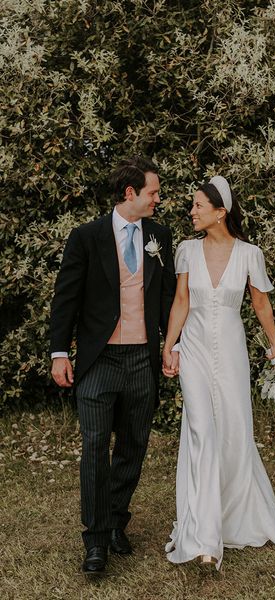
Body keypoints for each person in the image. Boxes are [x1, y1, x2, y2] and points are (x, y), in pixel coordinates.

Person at [49, 156, 178, 575]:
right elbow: (66, 298)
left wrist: (172, 345)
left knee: (132, 445)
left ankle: (117, 520)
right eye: (153, 192)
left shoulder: (160, 235)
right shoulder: (86, 237)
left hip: (142, 358)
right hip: (99, 361)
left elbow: (167, 297)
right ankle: (96, 541)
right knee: (94, 447)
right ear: (130, 193)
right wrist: (59, 352)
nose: (158, 199)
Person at [162, 176, 275, 569]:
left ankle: (233, 516)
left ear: (221, 212)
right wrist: (169, 345)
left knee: (233, 432)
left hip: (232, 353)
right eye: (193, 205)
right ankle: (203, 537)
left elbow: (261, 304)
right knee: (200, 429)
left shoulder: (250, 253)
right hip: (194, 351)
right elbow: (181, 300)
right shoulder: (186, 250)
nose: (192, 211)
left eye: (199, 205)